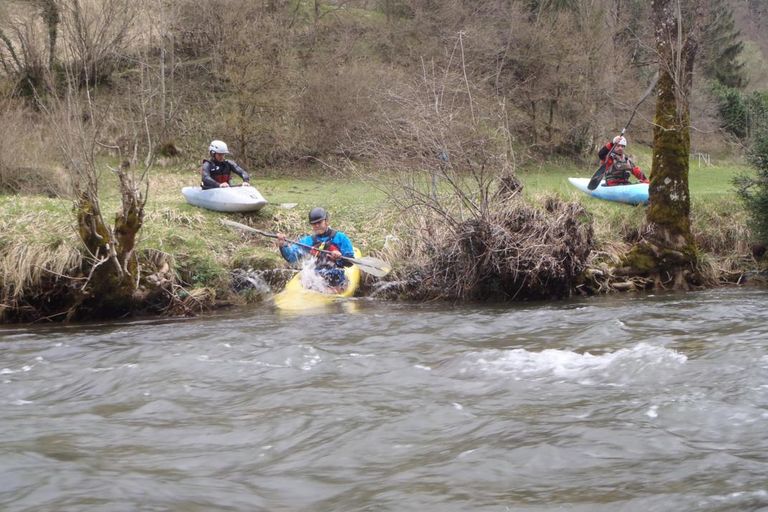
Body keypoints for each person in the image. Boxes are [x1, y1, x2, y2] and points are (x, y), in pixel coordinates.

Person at [277, 207, 355, 289]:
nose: (317, 225)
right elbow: (291, 258)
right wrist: (283, 245)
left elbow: (350, 262)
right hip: (315, 277)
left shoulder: (340, 238)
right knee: (313, 276)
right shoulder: (307, 241)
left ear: (326, 221)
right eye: (314, 223)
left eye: (319, 222)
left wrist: (339, 258)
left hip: (336, 277)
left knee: (334, 275)